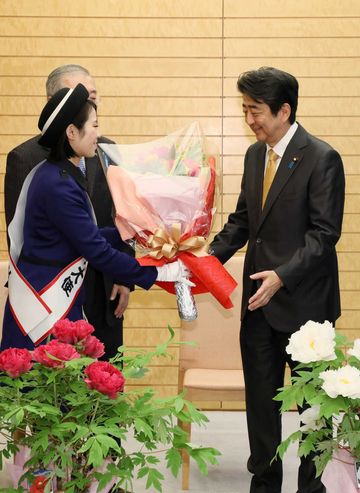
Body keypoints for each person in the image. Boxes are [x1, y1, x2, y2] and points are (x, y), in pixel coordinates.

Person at [210, 67, 345, 493]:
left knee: (311, 413)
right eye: (245, 109)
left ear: (284, 110)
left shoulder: (322, 158)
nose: (250, 119)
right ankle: (265, 486)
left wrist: (283, 277)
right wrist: (203, 260)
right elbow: (244, 221)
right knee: (261, 410)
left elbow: (324, 234)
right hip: (259, 308)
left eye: (256, 110)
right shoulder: (255, 156)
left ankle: (312, 488)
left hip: (307, 309)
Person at [1, 83, 187, 351]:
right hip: (43, 306)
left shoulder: (57, 173)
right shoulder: (58, 184)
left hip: (57, 298)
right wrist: (160, 273)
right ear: (72, 132)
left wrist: (134, 232)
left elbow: (85, 235)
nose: (99, 135)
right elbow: (96, 250)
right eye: (95, 126)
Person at [4, 64, 132, 359]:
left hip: (105, 288)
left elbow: (123, 217)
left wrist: (126, 277)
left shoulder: (110, 150)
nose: (90, 103)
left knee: (105, 383)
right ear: (54, 101)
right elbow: (20, 234)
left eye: (94, 95)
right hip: (51, 295)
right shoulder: (26, 158)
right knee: (54, 388)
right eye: (80, 95)